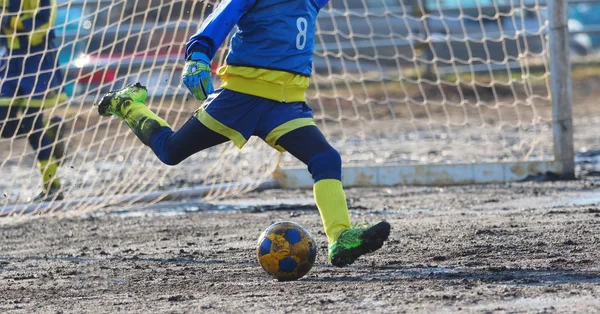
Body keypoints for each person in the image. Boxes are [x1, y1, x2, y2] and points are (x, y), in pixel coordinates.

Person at [97, 0, 390, 267]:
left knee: (325, 158)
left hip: (286, 103)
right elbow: (224, 16)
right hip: (242, 97)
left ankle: (340, 237)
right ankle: (128, 106)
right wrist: (199, 53)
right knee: (171, 151)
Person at [0, 0, 68, 202]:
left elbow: (43, 24)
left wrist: (11, 21)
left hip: (37, 61)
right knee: (3, 124)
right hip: (11, 61)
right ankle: (51, 131)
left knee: (32, 124)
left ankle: (52, 186)